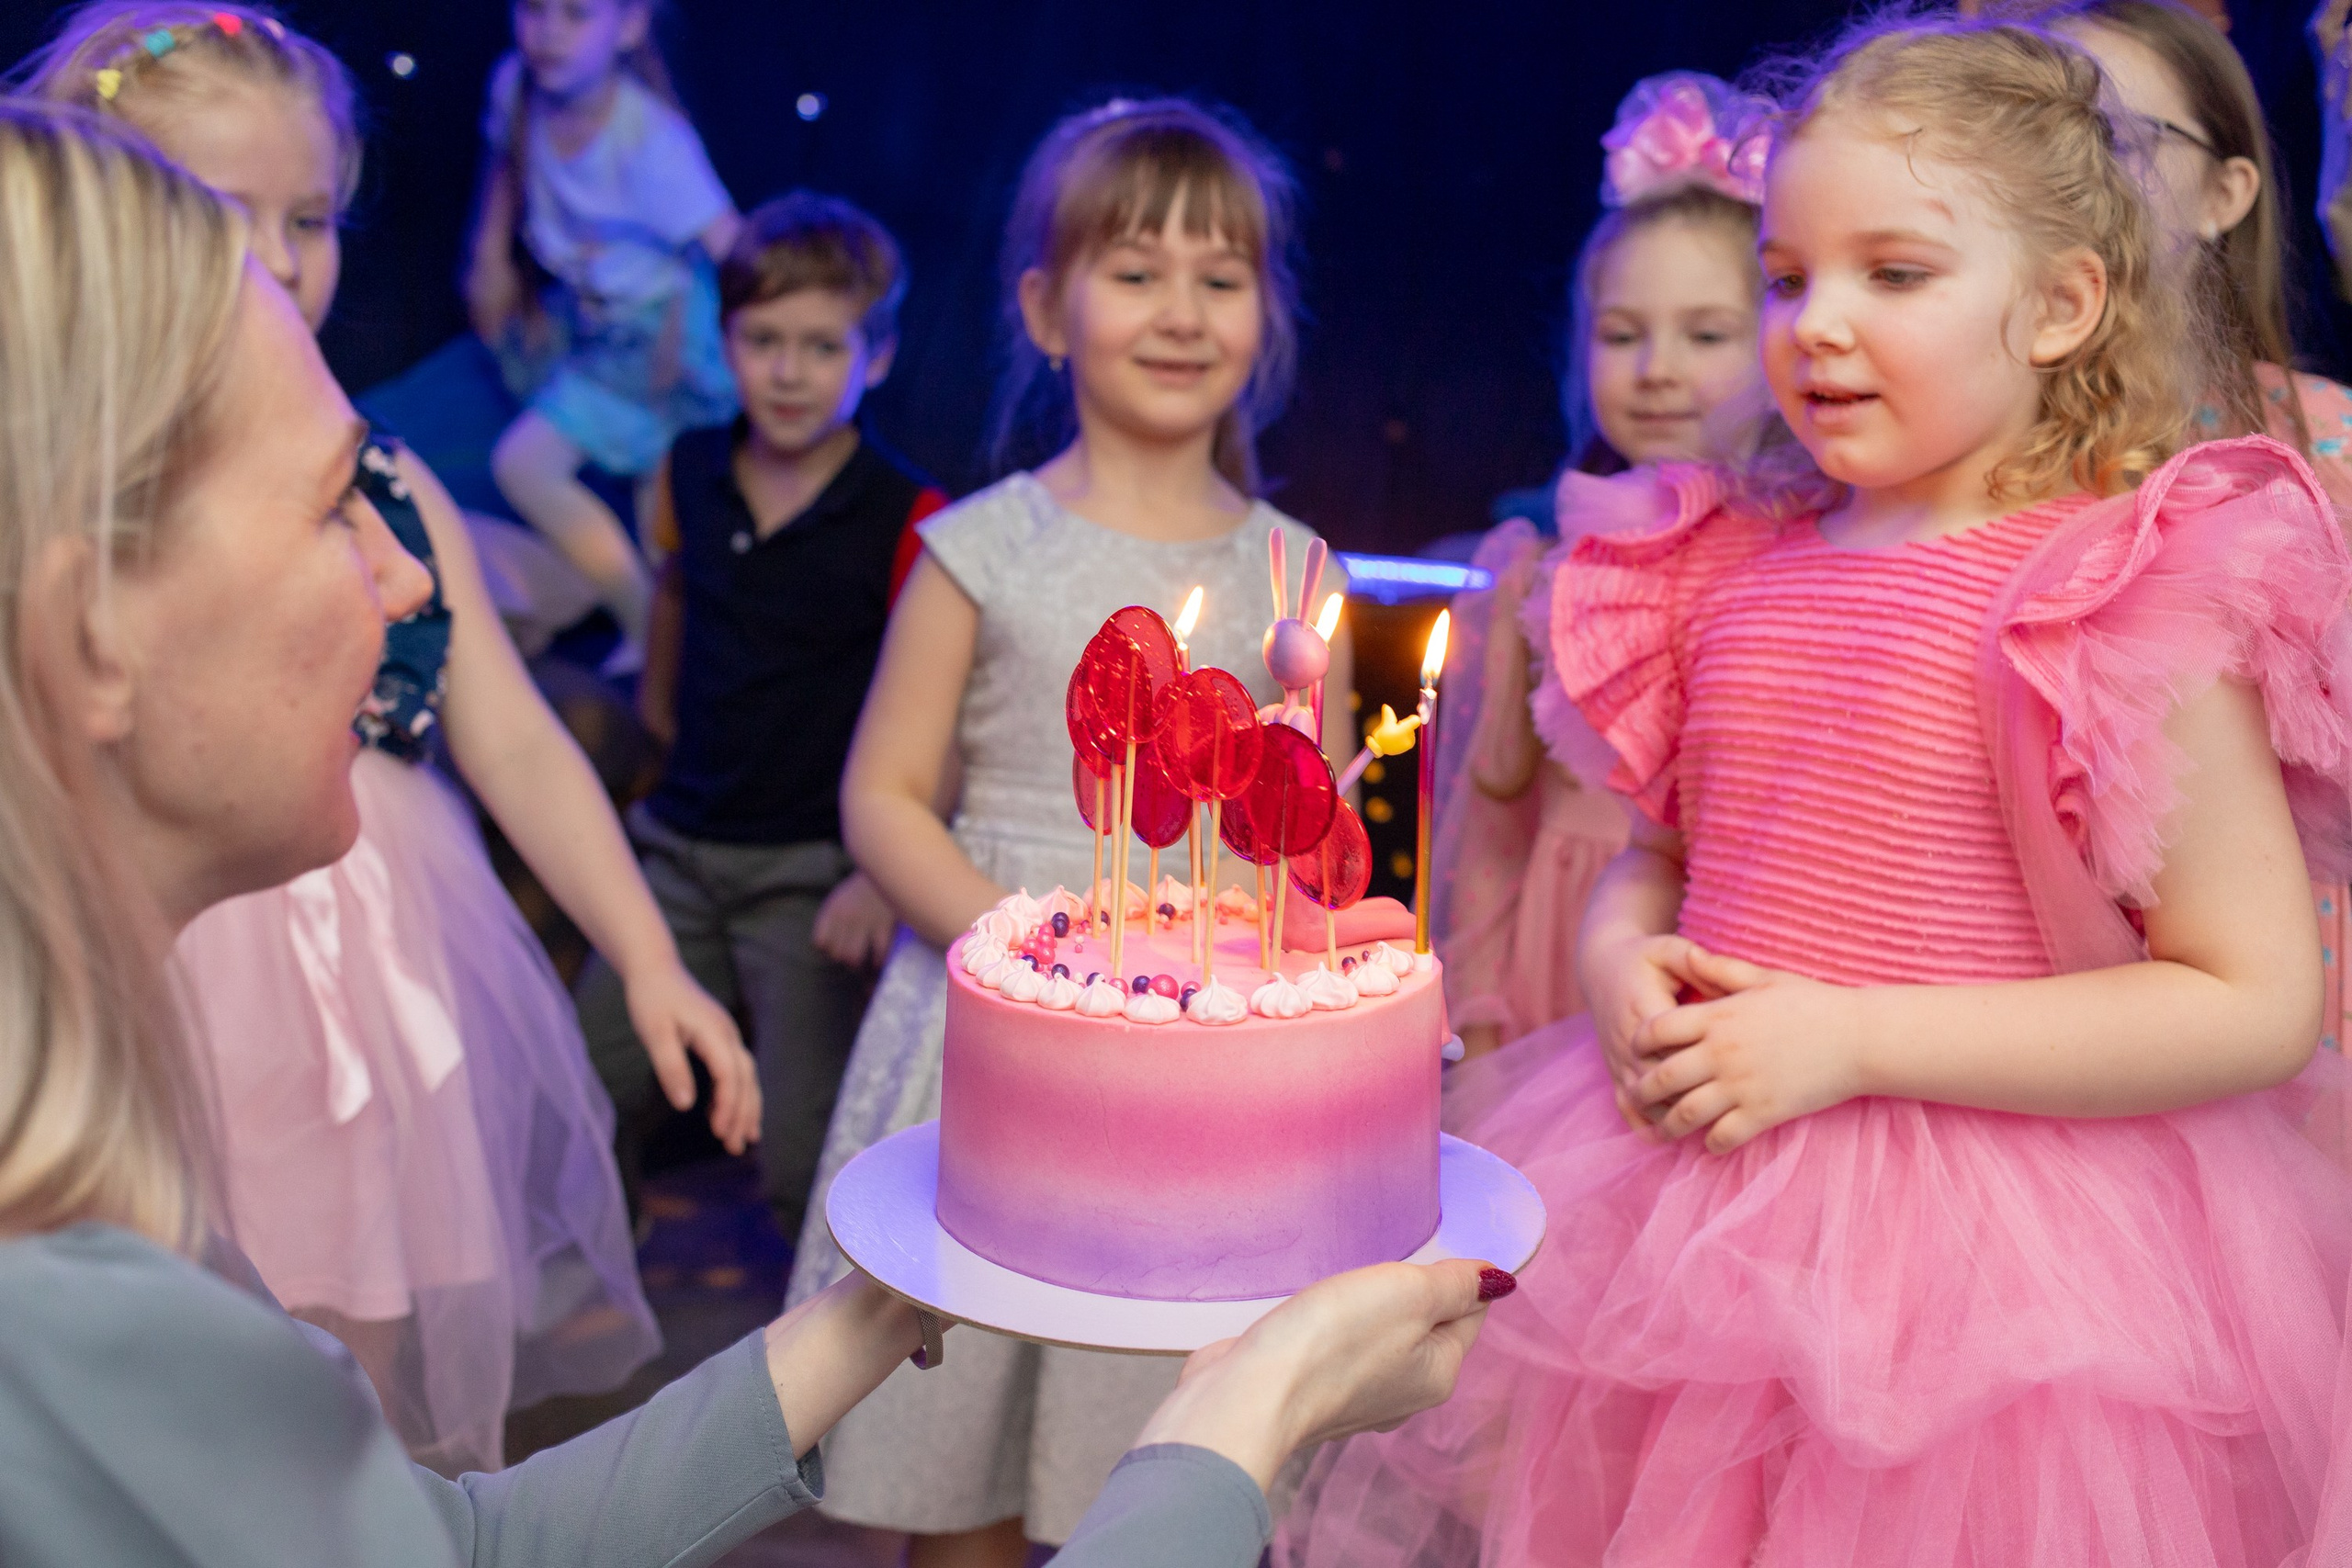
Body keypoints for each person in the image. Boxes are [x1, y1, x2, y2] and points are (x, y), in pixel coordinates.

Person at [0, 96, 1504, 1568]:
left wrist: (869, 1316)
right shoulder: (65, 1319)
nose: (414, 585)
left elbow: (445, 1541)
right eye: (341, 501)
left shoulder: (111, 1232)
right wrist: (1248, 1414)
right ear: (90, 633)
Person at [1281, 17, 2352, 1564]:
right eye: (1789, 277)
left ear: (2061, 304)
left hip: (2002, 1277)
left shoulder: (2118, 594)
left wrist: (1848, 1036)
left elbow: (2250, 995)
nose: (1819, 324)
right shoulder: (1717, 564)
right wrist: (1614, 954)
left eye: (1894, 275)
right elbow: (1663, 853)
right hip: (1684, 1218)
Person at [16, 2, 759, 1475]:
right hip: (173, 966)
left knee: (340, 1342)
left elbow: (521, 742)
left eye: (313, 217)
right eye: (222, 217)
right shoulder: (53, 490)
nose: (284, 262)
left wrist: (650, 954)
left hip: (376, 954)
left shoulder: (393, 483)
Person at [786, 98, 1358, 1565]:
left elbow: (1317, 831)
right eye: (1136, 271)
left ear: (1268, 318)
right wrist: (1022, 951)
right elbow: (882, 795)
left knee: (1166, 1442)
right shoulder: (985, 547)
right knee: (966, 1438)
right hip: (995, 1036)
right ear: (1046, 308)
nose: (1181, 312)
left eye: (1221, 278)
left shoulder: (1301, 578)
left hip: (1211, 1076)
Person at [577, 190, 947, 1242]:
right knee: (584, 1080)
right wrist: (655, 743)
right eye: (762, 341)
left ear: (874, 357)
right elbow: (674, 609)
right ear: (724, 340)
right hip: (678, 849)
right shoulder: (687, 468)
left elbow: (939, 712)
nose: (788, 371)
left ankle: (825, 1389)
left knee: (806, 1156)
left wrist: (883, 871)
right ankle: (606, 1276)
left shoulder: (908, 513)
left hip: (809, 874)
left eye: (821, 346)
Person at [2041, 0, 2352, 1089]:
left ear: (2226, 193)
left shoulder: (2329, 449)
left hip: (2287, 970)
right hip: (2042, 985)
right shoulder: (1964, 450)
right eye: (2036, 130)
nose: (2069, 172)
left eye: (2117, 137)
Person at [1435, 72, 1769, 1059]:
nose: (1656, 366)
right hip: (1554, 961)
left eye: (1705, 334)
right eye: (1622, 335)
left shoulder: (1808, 564)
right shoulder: (1535, 567)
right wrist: (1478, 1003)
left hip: (1725, 965)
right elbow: (1492, 823)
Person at [467, 0, 741, 672]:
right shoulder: (516, 84)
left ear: (629, 25)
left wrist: (746, 345)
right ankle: (655, 641)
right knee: (654, 507)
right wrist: (489, 252)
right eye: (533, 10)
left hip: (664, 339)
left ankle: (651, 631)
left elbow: (732, 247)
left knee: (529, 464)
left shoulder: (652, 143)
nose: (549, 33)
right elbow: (505, 161)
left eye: (576, 14)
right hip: (597, 323)